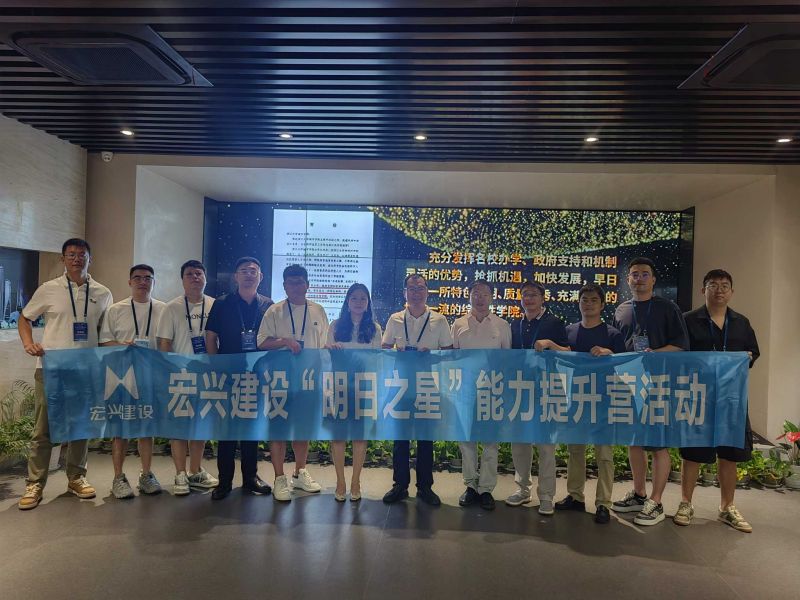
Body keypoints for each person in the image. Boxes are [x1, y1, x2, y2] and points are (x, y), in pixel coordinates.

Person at [17, 238, 113, 510]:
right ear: (63, 259)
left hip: (86, 370)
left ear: (90, 259)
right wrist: (28, 343)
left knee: (81, 425)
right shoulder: (48, 289)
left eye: (82, 254)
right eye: (71, 254)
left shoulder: (103, 293)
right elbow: (24, 318)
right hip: (51, 369)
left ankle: (76, 477)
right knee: (43, 429)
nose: (76, 259)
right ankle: (35, 483)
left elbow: (105, 332)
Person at [674, 269, 759, 532]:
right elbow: (679, 354)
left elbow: (753, 352)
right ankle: (686, 503)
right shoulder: (688, 320)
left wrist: (746, 357)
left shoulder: (741, 322)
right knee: (693, 452)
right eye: (713, 285)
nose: (719, 290)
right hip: (698, 395)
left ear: (731, 291)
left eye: (724, 285)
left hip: (731, 398)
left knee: (729, 453)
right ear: (704, 290)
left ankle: (727, 507)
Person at [611, 257, 689, 526]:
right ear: (628, 280)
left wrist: (655, 353)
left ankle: (656, 501)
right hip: (629, 382)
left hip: (659, 382)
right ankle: (639, 494)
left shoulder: (668, 308)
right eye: (635, 274)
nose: (639, 279)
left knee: (657, 443)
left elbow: (681, 345)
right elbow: (617, 347)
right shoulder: (621, 310)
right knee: (634, 440)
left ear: (653, 280)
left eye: (645, 274)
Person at [553, 283, 626, 524]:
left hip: (604, 400)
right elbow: (562, 356)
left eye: (594, 300)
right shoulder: (569, 331)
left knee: (604, 454)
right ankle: (575, 496)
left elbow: (626, 364)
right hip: (577, 398)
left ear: (602, 304)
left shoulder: (613, 335)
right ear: (578, 303)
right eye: (584, 299)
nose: (589, 304)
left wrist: (609, 353)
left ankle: (603, 503)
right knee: (575, 450)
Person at [381, 273, 453, 506]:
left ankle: (425, 487)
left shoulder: (439, 320)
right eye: (411, 289)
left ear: (427, 292)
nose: (416, 293)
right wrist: (397, 352)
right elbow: (384, 348)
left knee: (425, 438)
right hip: (400, 384)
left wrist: (431, 355)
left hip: (427, 384)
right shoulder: (395, 319)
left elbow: (448, 353)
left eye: (420, 288)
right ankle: (400, 485)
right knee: (400, 438)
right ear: (405, 293)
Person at [257, 264, 327, 502]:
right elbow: (261, 342)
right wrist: (284, 341)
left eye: (300, 282)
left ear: (307, 285)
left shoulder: (318, 310)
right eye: (291, 283)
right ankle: (279, 478)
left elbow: (323, 345)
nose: (296, 286)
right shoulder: (274, 311)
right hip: (280, 380)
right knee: (278, 428)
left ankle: (299, 472)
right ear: (284, 286)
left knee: (303, 428)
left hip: (309, 380)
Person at [205, 257, 274, 500]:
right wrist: (215, 365)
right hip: (228, 375)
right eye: (244, 270)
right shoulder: (222, 303)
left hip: (257, 376)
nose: (248, 274)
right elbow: (211, 336)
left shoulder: (268, 305)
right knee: (226, 430)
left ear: (260, 277)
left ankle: (250, 478)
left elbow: (272, 338)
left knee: (250, 429)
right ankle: (224, 482)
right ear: (236, 276)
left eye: (253, 271)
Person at [98, 264, 166, 499]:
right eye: (137, 278)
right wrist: (123, 345)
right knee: (121, 429)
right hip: (122, 377)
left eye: (147, 278)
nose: (142, 282)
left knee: (147, 428)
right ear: (130, 282)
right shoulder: (116, 309)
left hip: (151, 377)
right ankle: (118, 477)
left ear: (153, 282)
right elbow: (104, 342)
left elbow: (167, 343)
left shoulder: (163, 309)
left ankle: (146, 474)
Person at [156, 260, 220, 496]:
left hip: (207, 376)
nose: (195, 277)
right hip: (180, 376)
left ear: (205, 278)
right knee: (180, 426)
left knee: (201, 425)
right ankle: (180, 474)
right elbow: (164, 343)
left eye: (199, 273)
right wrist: (169, 372)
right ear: (182, 280)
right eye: (190, 274)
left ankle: (195, 471)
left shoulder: (215, 305)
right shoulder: (171, 308)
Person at [505, 280, 568, 515]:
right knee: (519, 443)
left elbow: (569, 352)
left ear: (543, 298)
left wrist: (551, 344)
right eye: (525, 295)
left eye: (533, 294)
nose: (529, 299)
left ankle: (546, 496)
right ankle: (523, 489)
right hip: (520, 389)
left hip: (547, 389)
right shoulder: (515, 324)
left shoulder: (554, 323)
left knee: (546, 445)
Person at [451, 280, 511, 511]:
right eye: (476, 293)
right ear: (469, 296)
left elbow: (507, 360)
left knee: (490, 441)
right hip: (465, 389)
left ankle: (486, 489)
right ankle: (470, 486)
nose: (480, 298)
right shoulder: (458, 324)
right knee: (466, 440)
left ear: (491, 297)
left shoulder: (502, 325)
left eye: (485, 294)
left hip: (492, 389)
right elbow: (453, 358)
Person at [324, 283, 383, 502]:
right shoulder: (336, 325)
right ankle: (340, 481)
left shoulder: (375, 328)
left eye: (363, 299)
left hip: (364, 387)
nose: (358, 302)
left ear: (368, 304)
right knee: (338, 436)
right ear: (347, 302)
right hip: (339, 386)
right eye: (354, 298)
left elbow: (377, 359)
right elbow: (326, 355)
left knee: (360, 436)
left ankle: (356, 481)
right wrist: (330, 349)